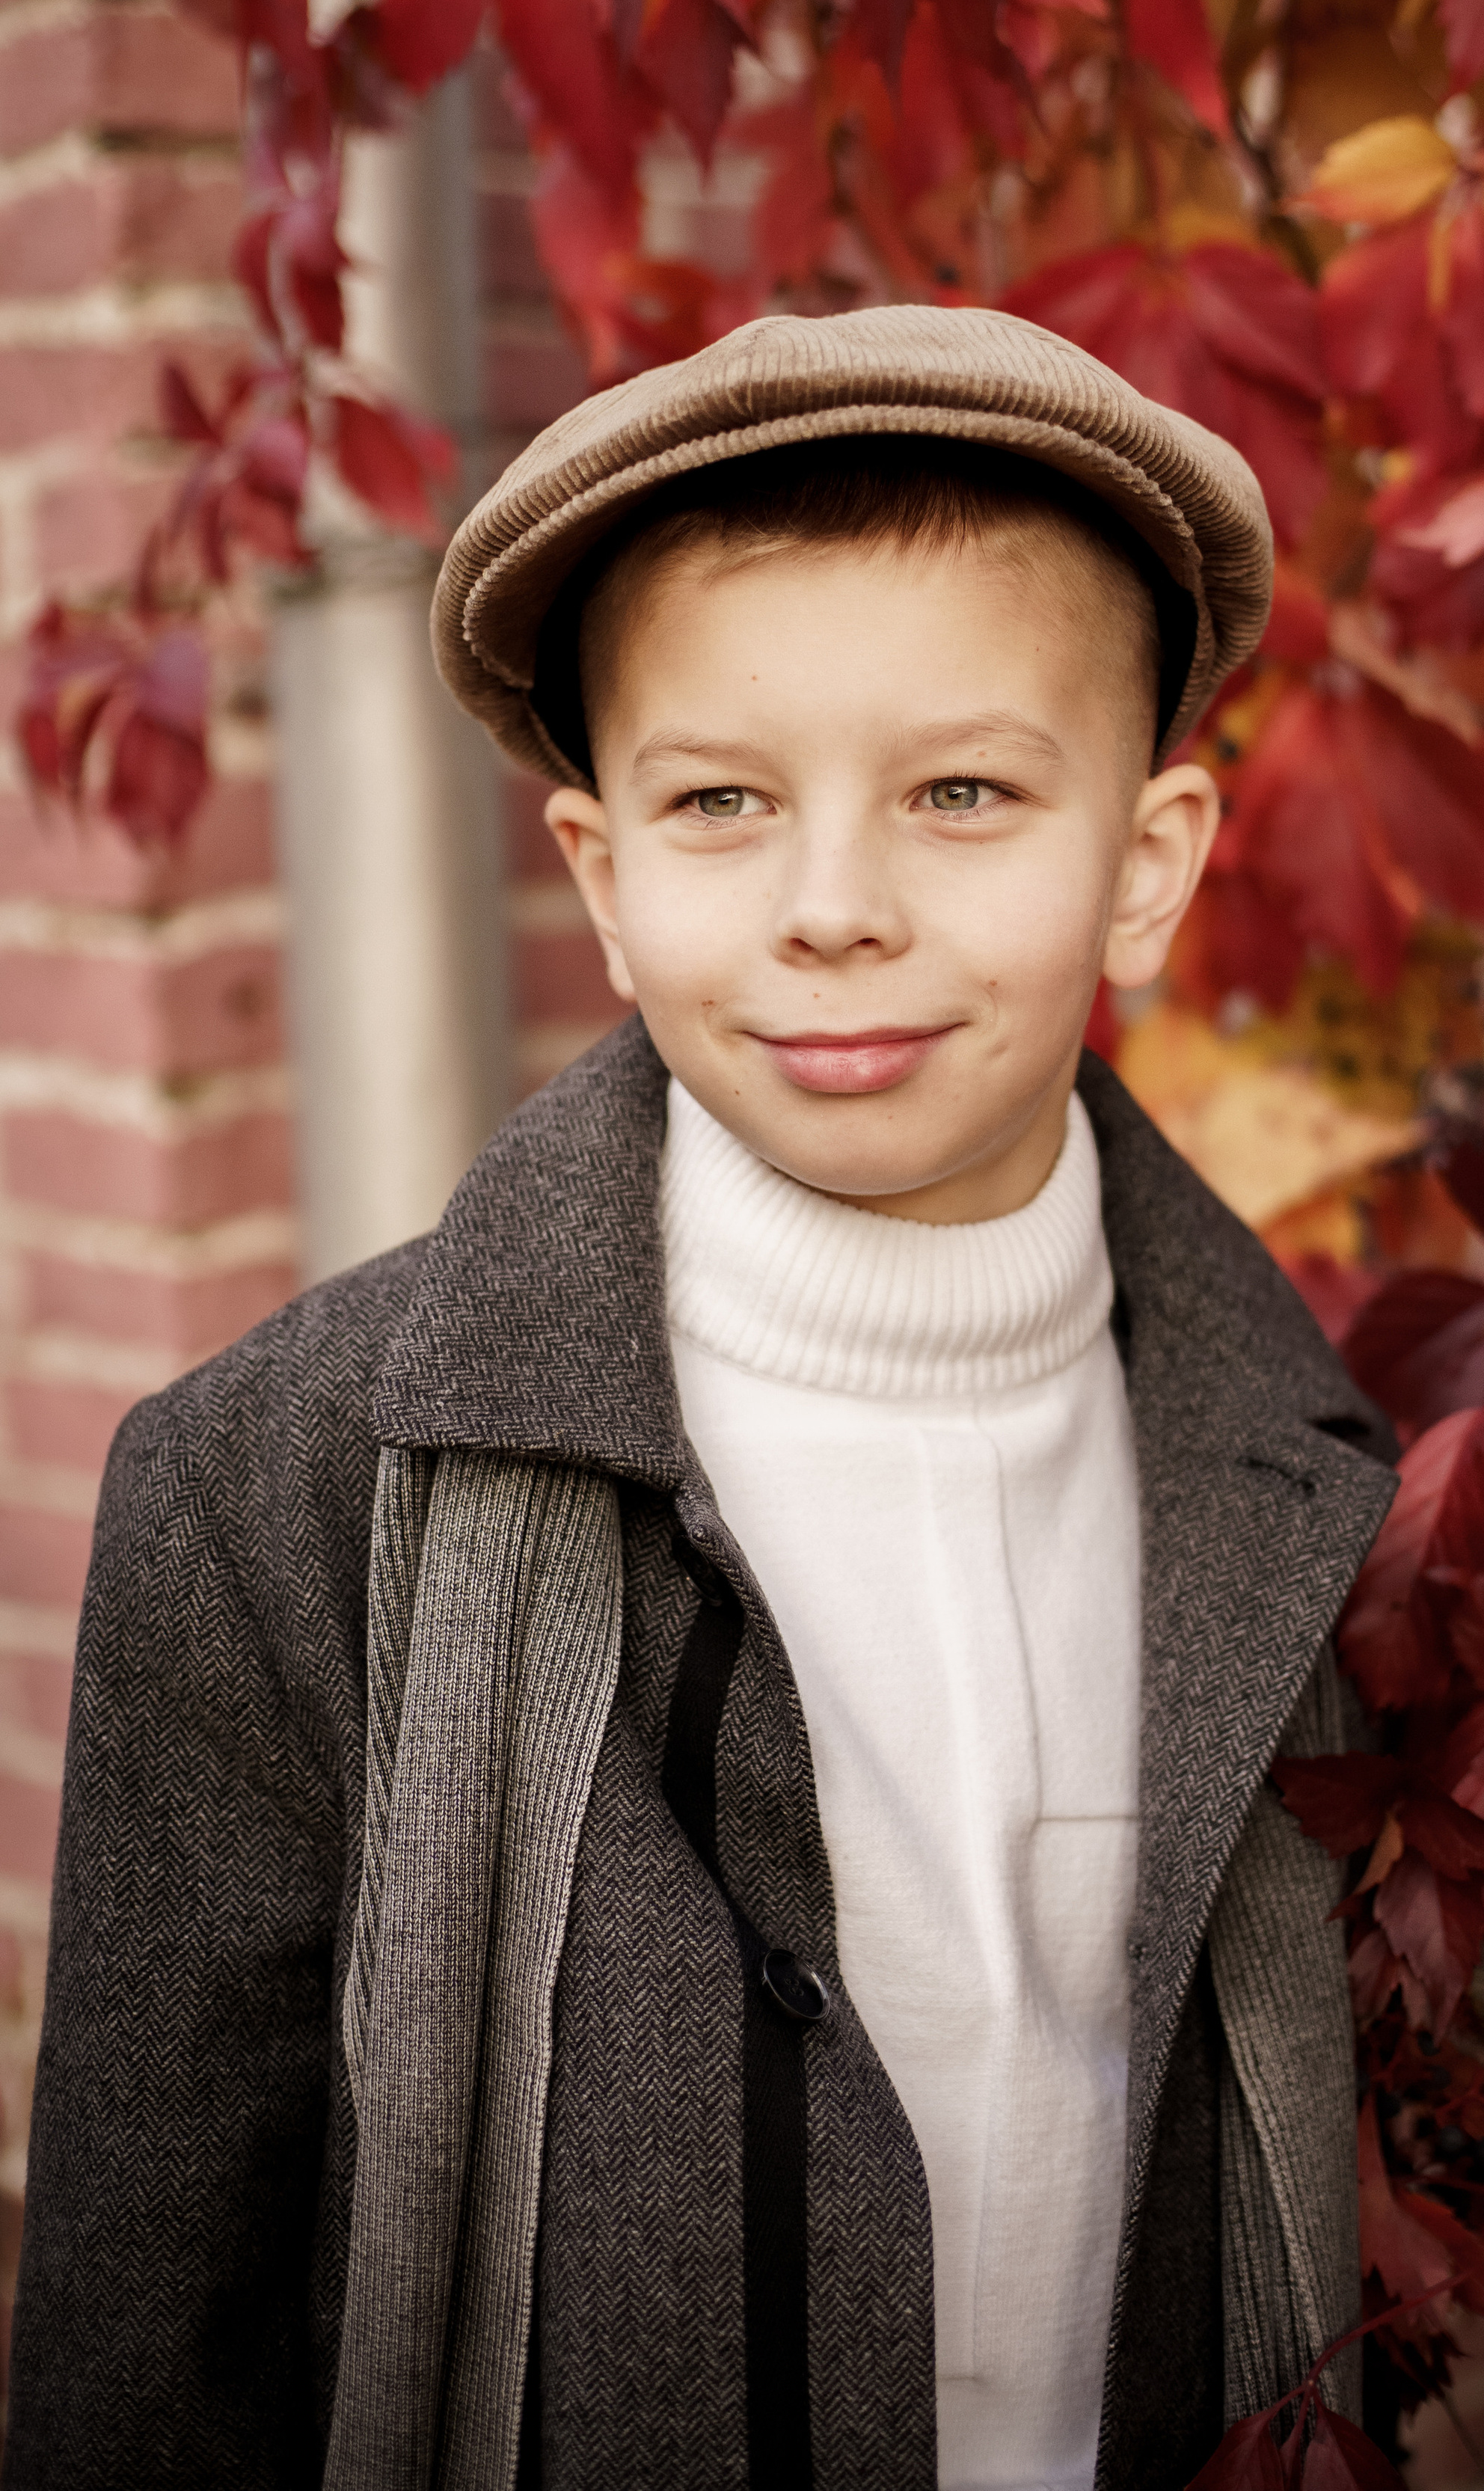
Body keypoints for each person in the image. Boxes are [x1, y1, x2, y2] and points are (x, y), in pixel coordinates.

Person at [5, 307, 1396, 2490]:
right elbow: (148, 2363)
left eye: (961, 792)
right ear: (604, 880)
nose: (835, 908)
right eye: (724, 804)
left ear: (1147, 861)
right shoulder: (275, 1497)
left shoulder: (1311, 1485)